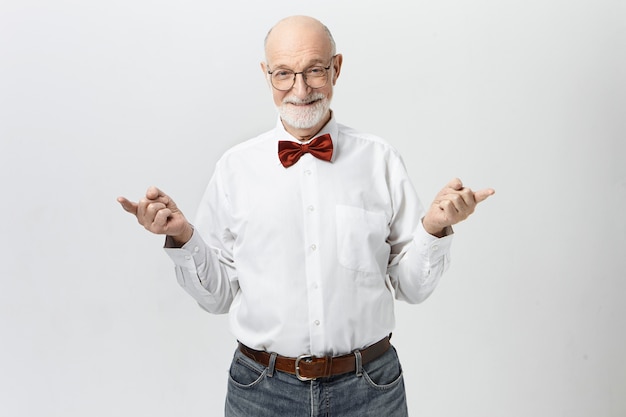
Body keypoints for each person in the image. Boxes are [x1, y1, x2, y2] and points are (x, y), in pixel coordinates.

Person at [118, 15, 494, 417]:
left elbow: (411, 287)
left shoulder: (379, 160)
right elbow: (219, 297)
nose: (300, 89)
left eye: (315, 70)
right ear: (266, 75)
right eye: (284, 74)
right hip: (261, 391)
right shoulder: (234, 169)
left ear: (336, 68)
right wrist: (183, 237)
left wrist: (434, 229)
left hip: (370, 389)